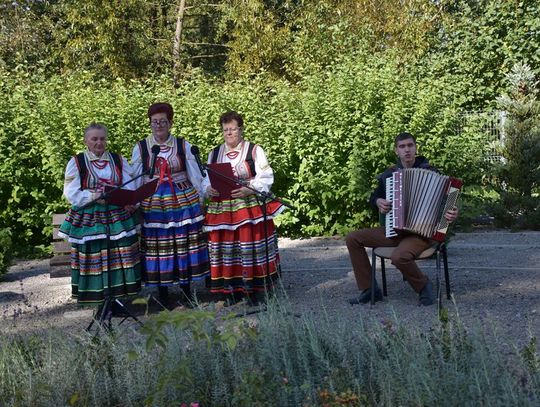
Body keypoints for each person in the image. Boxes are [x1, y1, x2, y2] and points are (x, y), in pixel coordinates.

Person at [346, 132, 458, 306]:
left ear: (415, 148)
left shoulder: (432, 173)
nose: (407, 150)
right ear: (396, 151)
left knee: (399, 257)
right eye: (402, 146)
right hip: (395, 230)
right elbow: (374, 197)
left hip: (422, 233)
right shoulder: (390, 175)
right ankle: (370, 289)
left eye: (410, 145)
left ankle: (424, 286)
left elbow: (449, 201)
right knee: (352, 238)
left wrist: (451, 214)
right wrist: (378, 202)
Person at [131, 102, 209, 306]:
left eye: (163, 121)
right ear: (149, 123)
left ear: (170, 123)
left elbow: (195, 174)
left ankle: (186, 289)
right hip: (154, 203)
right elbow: (137, 178)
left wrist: (201, 198)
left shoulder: (184, 145)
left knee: (184, 244)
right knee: (159, 247)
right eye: (154, 122)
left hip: (182, 200)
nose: (158, 126)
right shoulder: (141, 148)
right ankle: (163, 292)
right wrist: (135, 201)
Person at [205, 111, 285, 305]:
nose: (229, 133)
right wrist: (208, 188)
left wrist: (250, 189)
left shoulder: (254, 150)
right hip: (223, 205)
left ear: (241, 129)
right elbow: (205, 178)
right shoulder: (214, 153)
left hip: (248, 203)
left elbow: (265, 175)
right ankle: (230, 290)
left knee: (251, 245)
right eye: (225, 130)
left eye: (233, 129)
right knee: (225, 248)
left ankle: (255, 290)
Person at [58, 123, 141, 305]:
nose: (99, 142)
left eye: (102, 138)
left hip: (116, 215)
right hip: (90, 216)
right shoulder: (77, 162)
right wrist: (94, 195)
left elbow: (129, 185)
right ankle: (98, 299)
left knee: (118, 255)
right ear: (86, 141)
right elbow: (70, 193)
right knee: (95, 254)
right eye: (94, 139)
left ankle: (118, 299)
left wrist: (130, 201)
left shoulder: (118, 160)